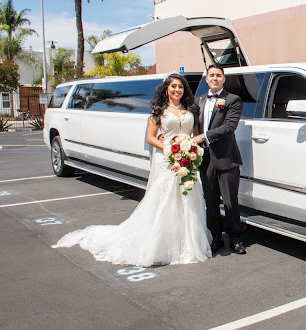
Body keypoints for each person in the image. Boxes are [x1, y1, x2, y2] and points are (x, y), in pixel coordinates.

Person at [52, 73, 212, 266]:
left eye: (180, 87)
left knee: (187, 197)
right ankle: (161, 243)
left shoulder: (191, 110)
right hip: (166, 159)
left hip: (187, 160)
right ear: (166, 90)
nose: (177, 90)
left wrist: (190, 149)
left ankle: (188, 242)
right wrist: (169, 149)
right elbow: (150, 138)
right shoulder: (159, 111)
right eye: (173, 87)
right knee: (164, 199)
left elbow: (194, 135)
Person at [194, 64, 246, 254]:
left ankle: (235, 238)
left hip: (226, 158)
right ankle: (215, 237)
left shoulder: (233, 100)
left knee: (230, 200)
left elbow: (229, 126)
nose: (215, 78)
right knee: (211, 200)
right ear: (206, 79)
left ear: (224, 79)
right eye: (211, 75)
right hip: (205, 159)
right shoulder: (198, 100)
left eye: (218, 75)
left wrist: (202, 137)